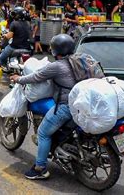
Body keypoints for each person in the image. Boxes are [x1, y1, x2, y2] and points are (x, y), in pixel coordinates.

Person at [10, 34, 77, 179]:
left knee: (43, 133)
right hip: (82, 104)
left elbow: (35, 77)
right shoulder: (79, 60)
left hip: (67, 106)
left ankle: (40, 168)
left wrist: (18, 79)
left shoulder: (57, 66)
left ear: (55, 50)